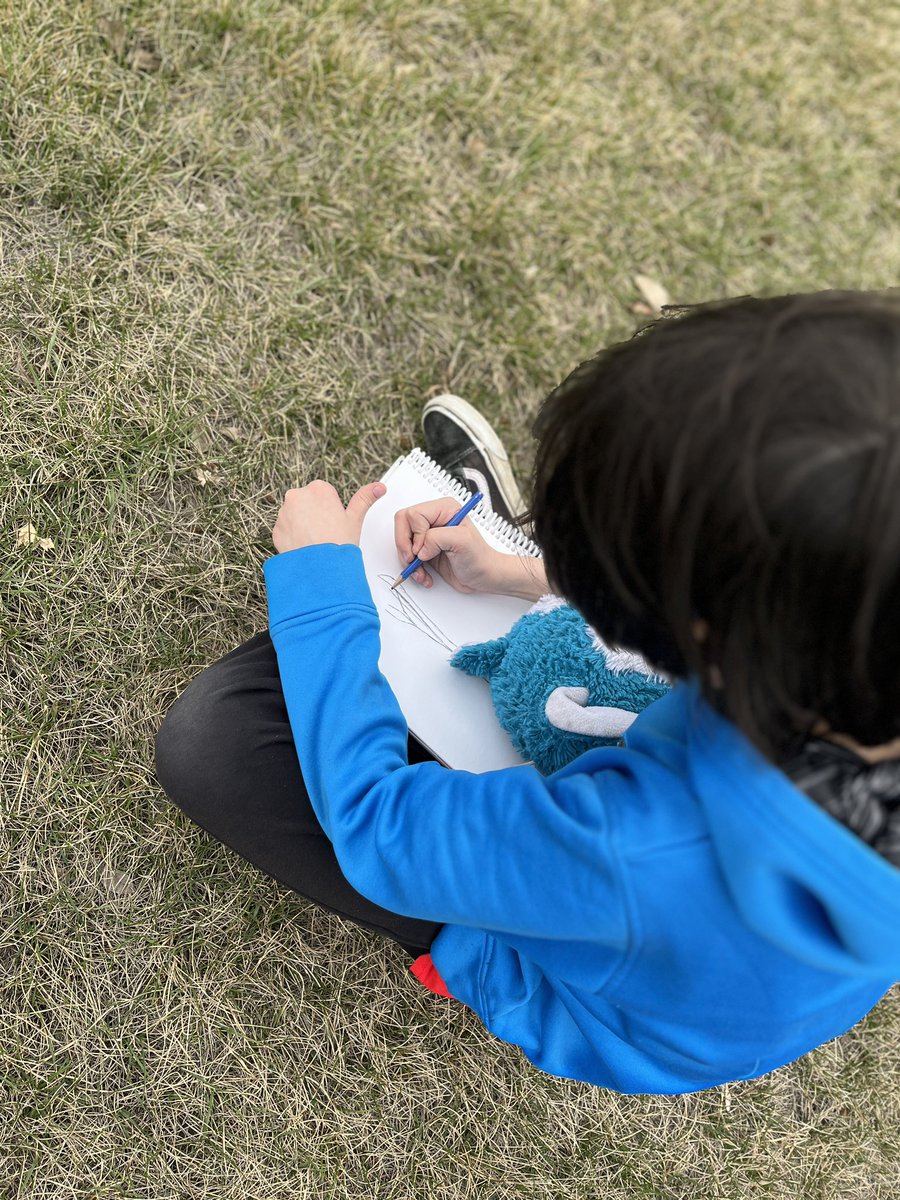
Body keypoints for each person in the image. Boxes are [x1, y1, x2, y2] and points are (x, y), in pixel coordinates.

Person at [155, 290, 900, 1093]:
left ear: (715, 635)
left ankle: (466, 947)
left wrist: (322, 581)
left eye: (598, 557)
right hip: (711, 906)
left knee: (216, 741)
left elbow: (378, 828)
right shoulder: (858, 648)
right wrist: (518, 574)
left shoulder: (638, 851)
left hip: (593, 987)